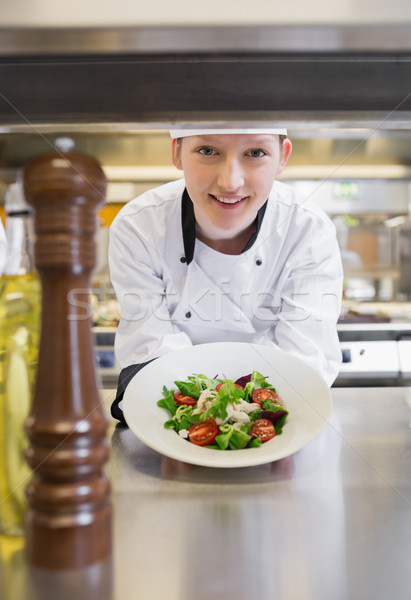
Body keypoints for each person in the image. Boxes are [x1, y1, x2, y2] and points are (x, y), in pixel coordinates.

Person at [109, 127, 343, 423]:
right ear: (176, 153)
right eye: (208, 151)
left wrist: (236, 415)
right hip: (171, 423)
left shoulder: (307, 229)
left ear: (282, 157)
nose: (230, 181)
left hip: (277, 420)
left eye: (255, 153)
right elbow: (150, 349)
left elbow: (304, 360)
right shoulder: (139, 226)